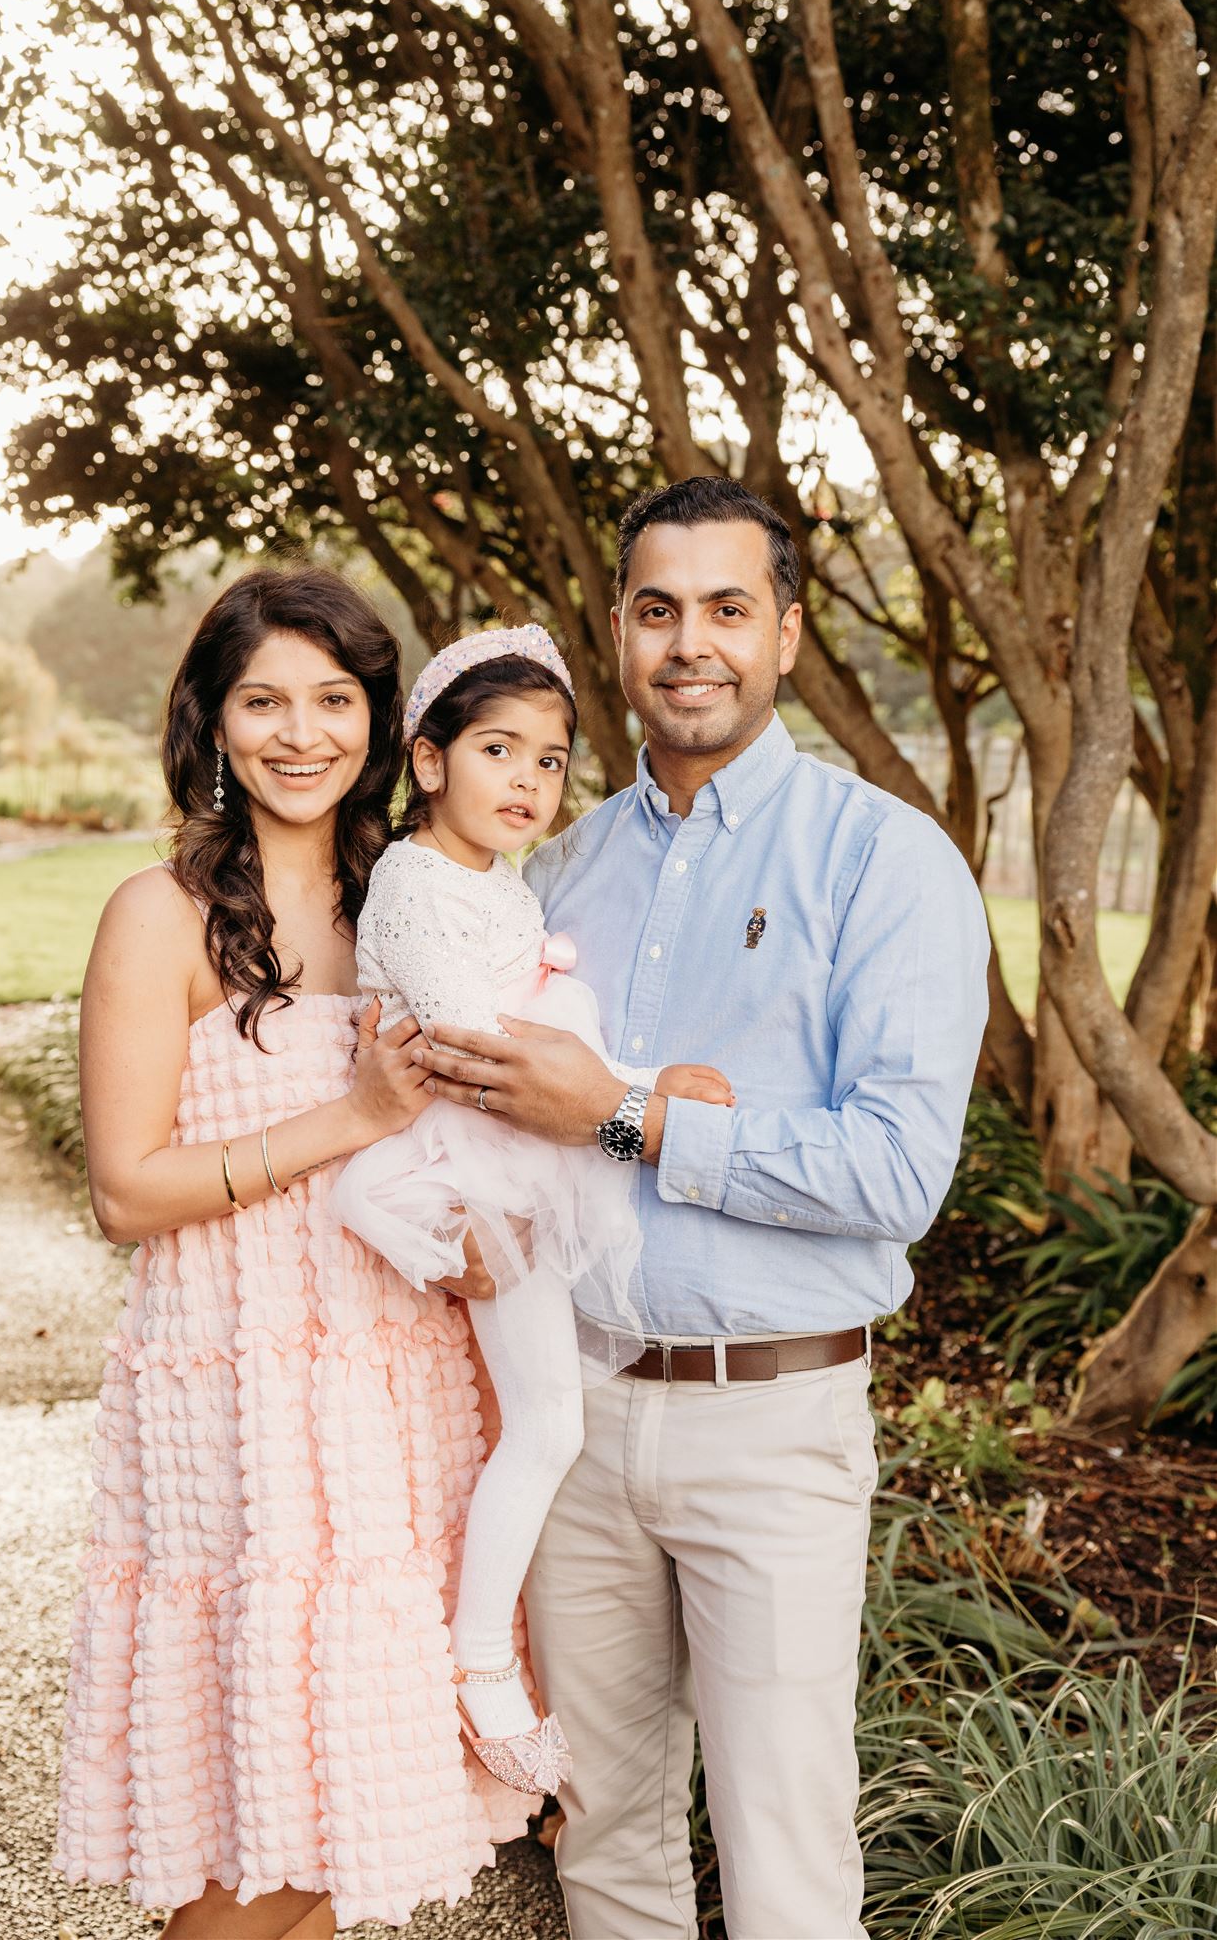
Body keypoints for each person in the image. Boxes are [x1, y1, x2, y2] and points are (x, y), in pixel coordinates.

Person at [415, 477, 991, 1940]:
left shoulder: (885, 860)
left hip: (773, 1430)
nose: (691, 643)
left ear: (786, 634)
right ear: (617, 632)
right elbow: (485, 1111)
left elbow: (893, 1174)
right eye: (658, 608)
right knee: (604, 1855)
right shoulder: (561, 866)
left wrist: (624, 1113)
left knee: (786, 1867)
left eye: (727, 608)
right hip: (576, 1422)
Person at [56, 561, 538, 1940]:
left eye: (334, 698)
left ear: (384, 726)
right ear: (211, 722)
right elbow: (128, 1192)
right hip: (241, 1407)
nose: (300, 731)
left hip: (397, 1392)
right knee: (242, 1850)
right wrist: (355, 1114)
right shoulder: (162, 916)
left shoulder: (412, 899)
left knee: (337, 1822)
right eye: (262, 700)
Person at [330, 623, 733, 1797]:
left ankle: (496, 1659)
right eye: (498, 749)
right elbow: (476, 1040)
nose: (527, 780)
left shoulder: (492, 878)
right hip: (468, 1165)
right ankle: (480, 1671)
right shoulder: (410, 886)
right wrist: (653, 1090)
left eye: (551, 760)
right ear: (428, 759)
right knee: (547, 1426)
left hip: (517, 1152)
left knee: (548, 1423)